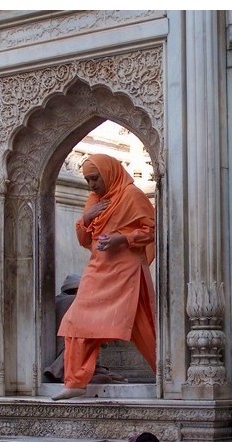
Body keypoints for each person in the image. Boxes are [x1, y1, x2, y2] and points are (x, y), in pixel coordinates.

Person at [51, 153, 156, 400]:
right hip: (99, 270)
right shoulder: (95, 200)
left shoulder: (132, 195)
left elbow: (151, 229)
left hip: (127, 271)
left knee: (145, 327)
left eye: (95, 178)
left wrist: (123, 238)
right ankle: (75, 381)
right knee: (76, 323)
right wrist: (86, 219)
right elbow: (85, 239)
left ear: (109, 173)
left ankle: (170, 375)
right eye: (87, 180)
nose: (91, 185)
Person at [44, 273, 127, 385]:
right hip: (69, 355)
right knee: (111, 379)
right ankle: (70, 377)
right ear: (78, 289)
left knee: (110, 377)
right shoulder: (75, 302)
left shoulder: (56, 301)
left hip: (62, 354)